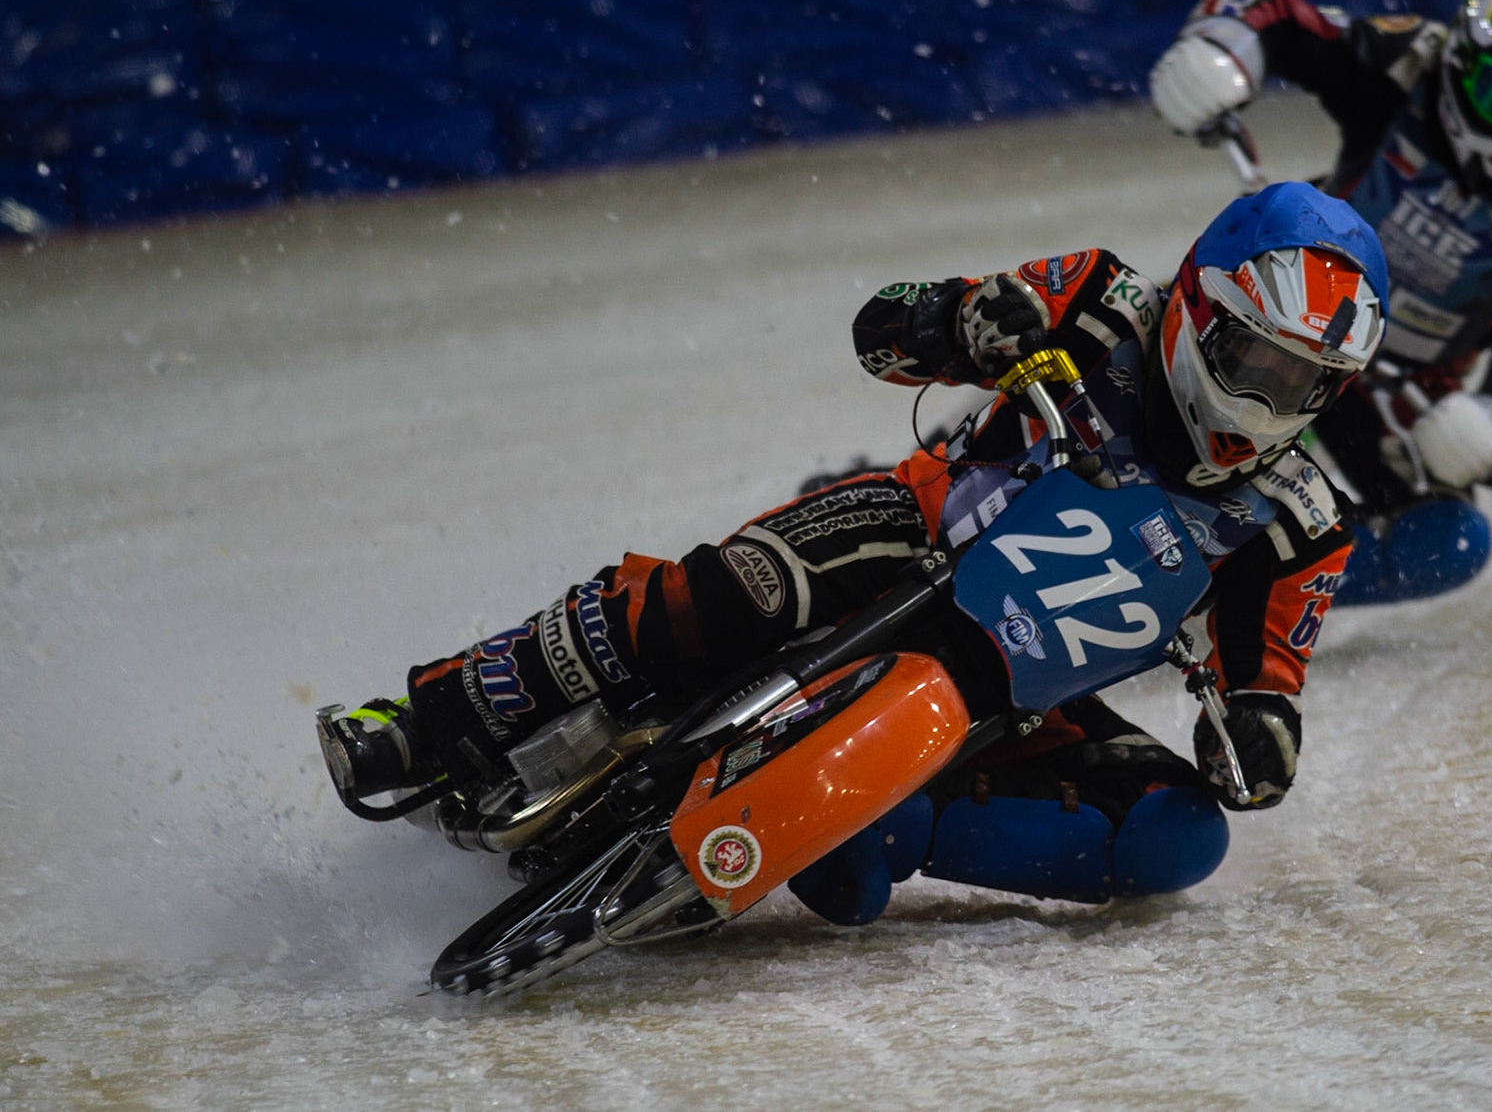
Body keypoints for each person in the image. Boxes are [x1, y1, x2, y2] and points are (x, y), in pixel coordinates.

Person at [322, 181, 1388, 926]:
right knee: (732, 589)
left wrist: (1258, 733)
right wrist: (970, 318)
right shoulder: (1102, 299)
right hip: (909, 532)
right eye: (1250, 358)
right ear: (1200, 304)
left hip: (1011, 696)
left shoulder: (1301, 521)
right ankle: (430, 719)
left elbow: (1265, 677)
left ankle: (872, 822)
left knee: (1177, 838)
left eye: (1302, 385)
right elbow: (882, 329)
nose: (1264, 405)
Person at [1147, 0, 1492, 605]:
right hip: (1275, 316)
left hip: (1395, 397)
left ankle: (1237, 584)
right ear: (1460, 58)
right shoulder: (1409, 64)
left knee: (1445, 539)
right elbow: (1278, 15)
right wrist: (1222, 47)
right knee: (1135, 360)